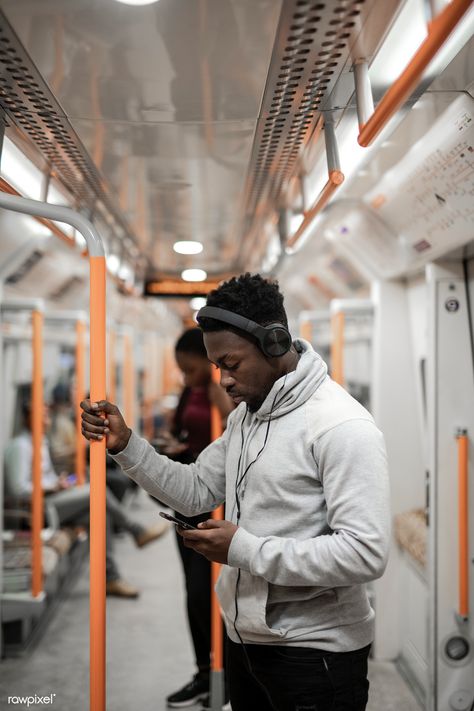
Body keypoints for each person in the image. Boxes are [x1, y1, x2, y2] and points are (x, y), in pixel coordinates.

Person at [81, 273, 390, 711]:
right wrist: (126, 444)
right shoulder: (247, 417)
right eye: (217, 367)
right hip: (244, 639)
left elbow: (365, 553)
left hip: (316, 654)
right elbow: (194, 491)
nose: (223, 380)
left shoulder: (342, 428)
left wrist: (242, 548)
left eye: (232, 364)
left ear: (275, 344)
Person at [4, 401, 168, 599]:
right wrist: (52, 487)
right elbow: (19, 489)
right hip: (38, 509)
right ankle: (136, 530)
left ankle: (111, 578)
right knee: (96, 490)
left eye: (47, 414)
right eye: (41, 414)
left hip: (54, 500)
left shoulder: (40, 441)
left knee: (99, 514)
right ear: (27, 418)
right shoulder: (21, 446)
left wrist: (60, 482)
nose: (46, 418)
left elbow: (44, 477)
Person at [159, 328, 233, 709]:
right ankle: (203, 670)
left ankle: (222, 671)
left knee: (208, 591)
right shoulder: (191, 391)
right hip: (187, 494)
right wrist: (175, 445)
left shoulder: (226, 390)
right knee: (193, 592)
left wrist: (216, 383)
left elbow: (235, 428)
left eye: (191, 369)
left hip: (216, 501)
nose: (186, 378)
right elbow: (180, 429)